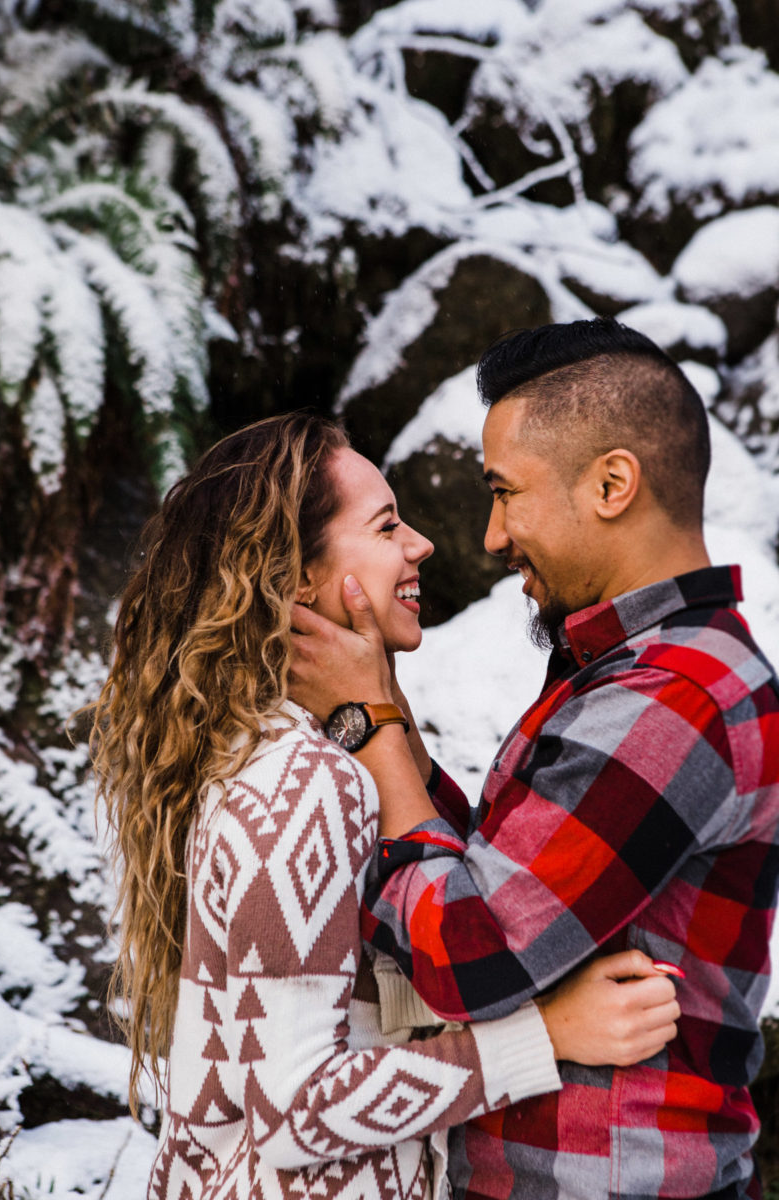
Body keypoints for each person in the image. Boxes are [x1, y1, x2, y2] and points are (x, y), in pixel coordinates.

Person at [89, 411, 680, 1200]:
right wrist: (545, 1035)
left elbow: (344, 1017)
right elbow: (297, 1110)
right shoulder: (303, 783)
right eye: (386, 524)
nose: (423, 544)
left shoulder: (286, 753)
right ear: (298, 580)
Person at [289, 319, 779, 1200]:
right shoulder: (634, 675)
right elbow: (498, 875)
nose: (489, 535)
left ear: (612, 484)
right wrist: (377, 711)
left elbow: (469, 952)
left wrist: (369, 721)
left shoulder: (675, 699)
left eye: (505, 492)